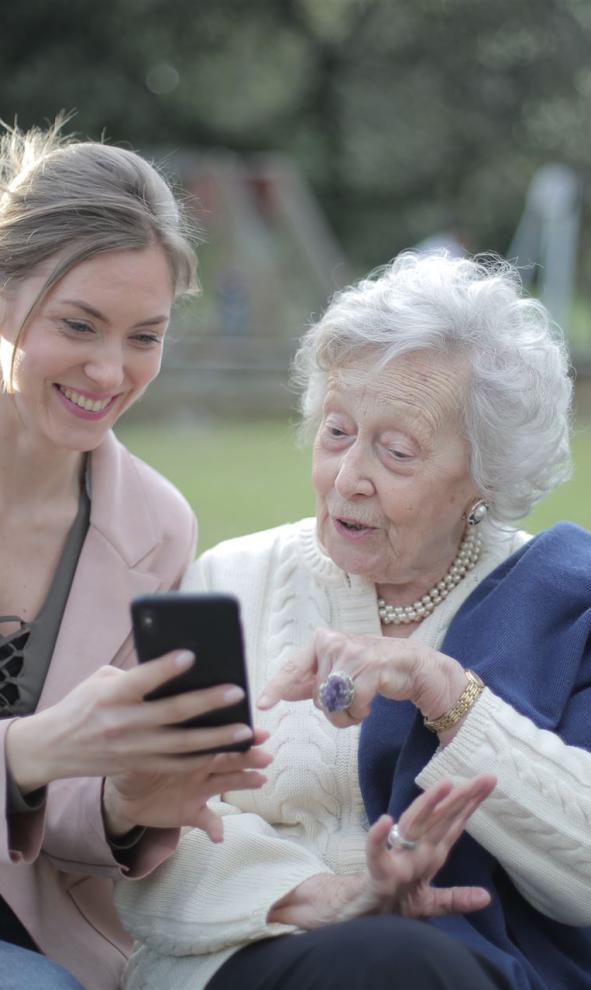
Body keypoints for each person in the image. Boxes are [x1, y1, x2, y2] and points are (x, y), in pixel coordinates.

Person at [115, 252, 591, 990]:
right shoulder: (231, 579)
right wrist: (328, 899)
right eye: (336, 431)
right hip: (251, 955)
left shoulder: (589, 603)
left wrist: (446, 691)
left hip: (491, 971)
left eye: (396, 451)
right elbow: (159, 822)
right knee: (391, 961)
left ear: (487, 476)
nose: (347, 477)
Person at [0, 120, 271, 990]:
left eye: (145, 336)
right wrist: (29, 751)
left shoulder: (156, 524)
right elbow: (38, 759)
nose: (110, 372)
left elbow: (65, 818)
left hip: (34, 935)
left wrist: (126, 801)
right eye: (78, 324)